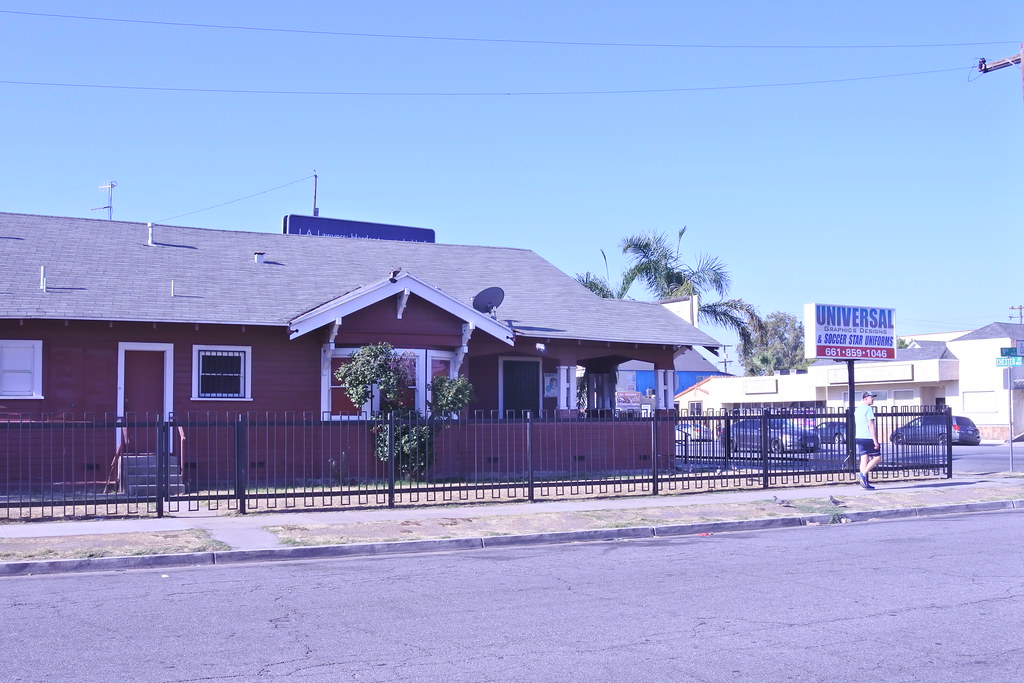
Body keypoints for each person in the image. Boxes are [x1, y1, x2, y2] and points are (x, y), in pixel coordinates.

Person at [854, 391, 882, 489]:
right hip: (867, 437)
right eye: (871, 397)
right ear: (865, 399)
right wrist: (875, 441)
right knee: (877, 458)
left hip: (859, 437)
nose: (873, 399)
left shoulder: (858, 410)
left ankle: (863, 484)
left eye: (873, 397)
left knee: (864, 458)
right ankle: (863, 474)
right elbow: (870, 425)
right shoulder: (868, 409)